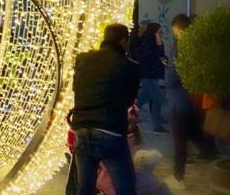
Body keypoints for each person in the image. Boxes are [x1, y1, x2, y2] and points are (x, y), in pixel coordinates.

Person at [70, 23, 140, 195]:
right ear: (124, 41)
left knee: (84, 188)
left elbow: (76, 88)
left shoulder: (83, 59)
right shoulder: (129, 66)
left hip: (82, 129)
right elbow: (130, 99)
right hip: (110, 131)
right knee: (126, 188)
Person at [165, 13, 216, 191]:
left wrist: (168, 79)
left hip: (179, 100)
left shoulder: (181, 46)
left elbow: (174, 74)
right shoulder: (198, 45)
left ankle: (178, 178)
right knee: (192, 132)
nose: (173, 33)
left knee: (179, 139)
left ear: (178, 28)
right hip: (190, 99)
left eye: (174, 30)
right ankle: (209, 152)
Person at [135, 22, 167, 133]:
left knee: (142, 99)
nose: (161, 33)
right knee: (156, 99)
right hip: (148, 75)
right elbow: (150, 56)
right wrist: (159, 46)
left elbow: (161, 55)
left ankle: (129, 115)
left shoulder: (157, 42)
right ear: (153, 32)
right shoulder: (146, 42)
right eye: (159, 32)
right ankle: (157, 126)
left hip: (153, 74)